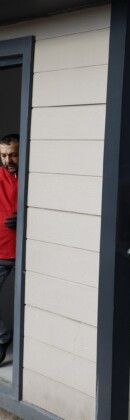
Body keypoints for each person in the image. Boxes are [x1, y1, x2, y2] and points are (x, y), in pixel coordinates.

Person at [0, 133, 18, 364]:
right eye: (4, 155)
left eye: (13, 154)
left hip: (28, 254)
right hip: (1, 251)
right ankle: (3, 336)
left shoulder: (34, 177)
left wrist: (25, 217)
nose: (8, 160)